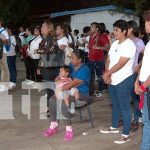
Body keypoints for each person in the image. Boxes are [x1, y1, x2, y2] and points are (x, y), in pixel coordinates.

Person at [100, 20, 136, 144]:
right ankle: (114, 127)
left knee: (125, 107)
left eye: (117, 30)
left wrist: (107, 73)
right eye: (114, 29)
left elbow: (122, 63)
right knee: (115, 105)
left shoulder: (129, 44)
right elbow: (108, 59)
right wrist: (107, 74)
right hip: (112, 79)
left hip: (124, 79)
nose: (114, 32)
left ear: (124, 31)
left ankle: (126, 134)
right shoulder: (115, 43)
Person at [43, 49, 91, 142]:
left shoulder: (85, 69)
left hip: (81, 94)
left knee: (64, 103)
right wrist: (58, 80)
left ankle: (68, 129)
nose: (71, 60)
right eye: (70, 58)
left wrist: (59, 88)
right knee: (52, 100)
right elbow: (59, 76)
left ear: (80, 60)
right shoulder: (71, 66)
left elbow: (73, 84)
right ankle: (54, 125)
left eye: (73, 58)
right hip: (67, 91)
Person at [134, 10, 150, 150]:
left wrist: (143, 86)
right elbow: (145, 65)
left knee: (148, 123)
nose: (145, 23)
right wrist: (137, 81)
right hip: (145, 86)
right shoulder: (149, 43)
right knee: (147, 122)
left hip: (147, 87)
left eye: (146, 21)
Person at [127, 20, 145, 132]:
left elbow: (146, 55)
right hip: (125, 73)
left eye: (127, 28)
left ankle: (136, 119)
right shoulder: (125, 42)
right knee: (127, 97)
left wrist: (138, 65)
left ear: (132, 29)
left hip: (134, 74)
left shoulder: (138, 42)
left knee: (135, 97)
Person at [88, 22, 110, 97]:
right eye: (90, 27)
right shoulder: (91, 36)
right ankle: (91, 91)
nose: (90, 28)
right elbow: (91, 47)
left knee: (100, 76)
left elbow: (107, 47)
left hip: (98, 60)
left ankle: (100, 89)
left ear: (97, 29)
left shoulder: (101, 36)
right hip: (91, 59)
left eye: (92, 27)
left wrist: (98, 47)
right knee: (91, 76)